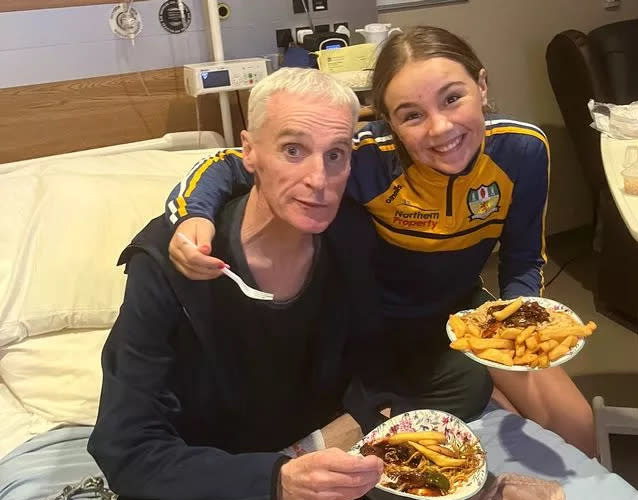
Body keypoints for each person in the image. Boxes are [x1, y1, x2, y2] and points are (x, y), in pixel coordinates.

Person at [163, 26, 595, 456]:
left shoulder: (523, 150)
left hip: (465, 314)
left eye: (452, 98)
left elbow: (523, 260)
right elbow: (233, 163)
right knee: (453, 400)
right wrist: (190, 216)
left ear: (481, 87)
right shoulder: (367, 159)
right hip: (373, 324)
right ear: (392, 123)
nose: (440, 128)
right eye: (412, 115)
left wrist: (516, 325)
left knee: (577, 425)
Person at [88, 68, 387, 500]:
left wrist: (327, 447)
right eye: (293, 150)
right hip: (216, 463)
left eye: (336, 155)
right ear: (248, 151)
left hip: (319, 440)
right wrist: (274, 481)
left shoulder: (353, 238)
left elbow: (381, 360)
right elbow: (126, 445)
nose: (319, 179)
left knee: (462, 378)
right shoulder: (168, 266)